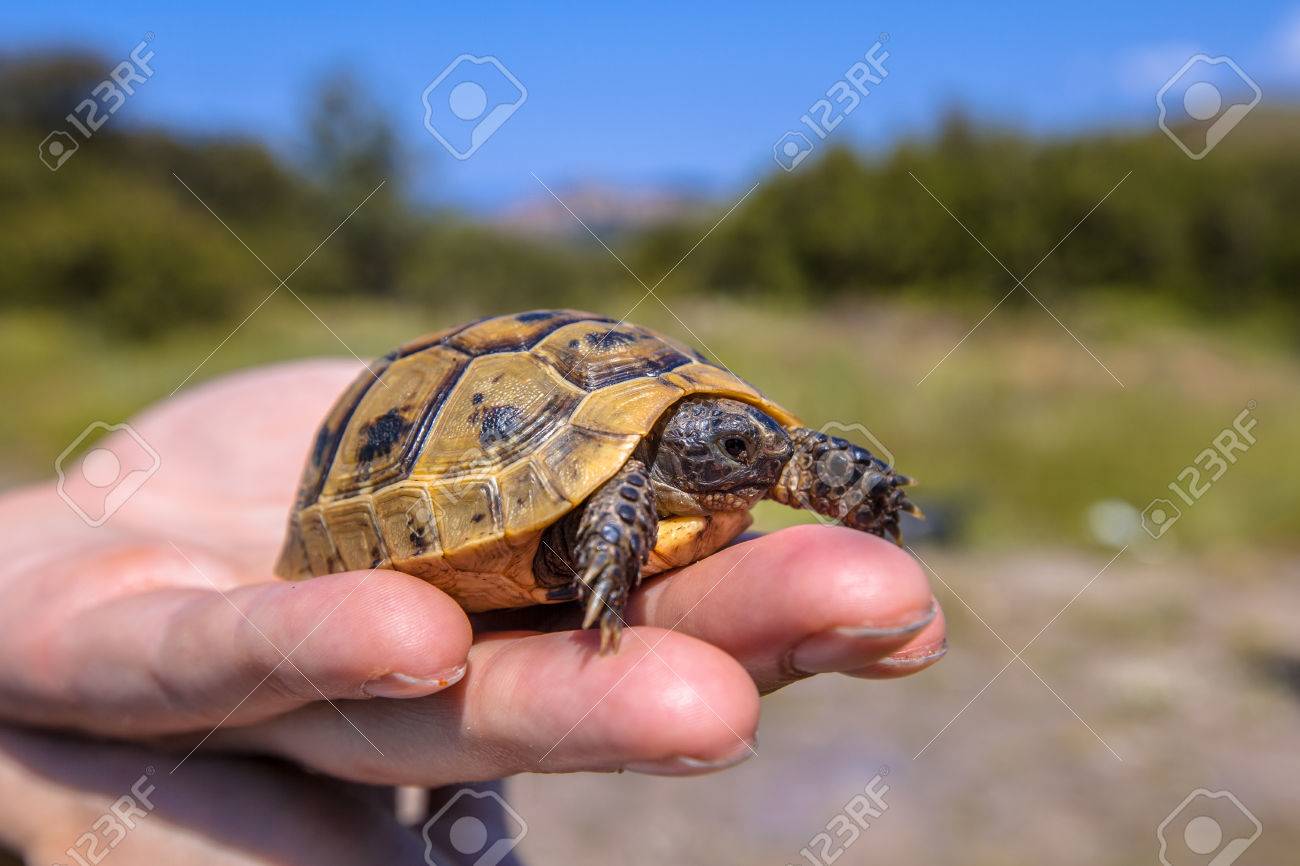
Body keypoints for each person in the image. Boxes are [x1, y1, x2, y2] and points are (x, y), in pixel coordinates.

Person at [0, 360, 946, 865]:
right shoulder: (627, 484)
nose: (756, 459)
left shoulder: (732, 452)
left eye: (752, 446)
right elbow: (614, 488)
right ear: (673, 450)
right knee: (596, 510)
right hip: (455, 479)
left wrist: (866, 500)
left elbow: (789, 452)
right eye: (731, 449)